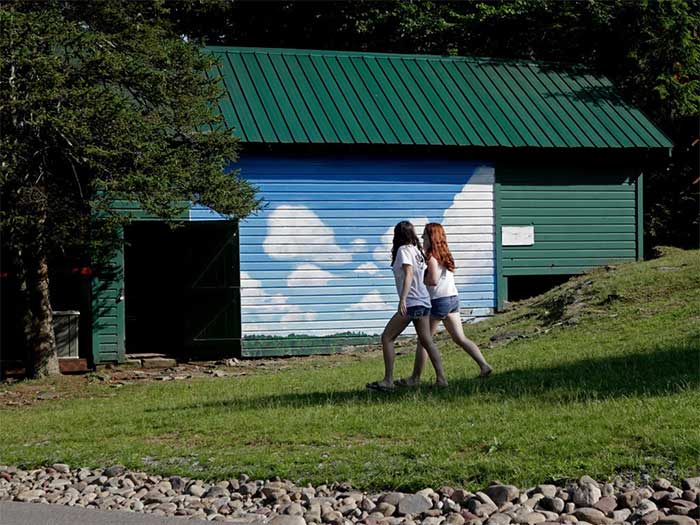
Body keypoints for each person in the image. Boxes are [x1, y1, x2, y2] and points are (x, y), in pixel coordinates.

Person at [397, 223, 492, 387]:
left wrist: (419, 280)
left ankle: (416, 378)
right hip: (452, 298)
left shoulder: (432, 257)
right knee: (459, 337)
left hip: (438, 301)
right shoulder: (444, 254)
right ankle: (484, 366)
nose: (422, 238)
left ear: (431, 238)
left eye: (425, 236)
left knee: (424, 341)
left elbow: (433, 280)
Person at [366, 221, 448, 392]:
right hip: (424, 302)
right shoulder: (417, 251)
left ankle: (388, 380)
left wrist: (403, 299)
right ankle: (441, 378)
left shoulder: (404, 250)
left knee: (387, 337)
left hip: (412, 302)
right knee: (426, 341)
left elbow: (409, 273)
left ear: (397, 235)